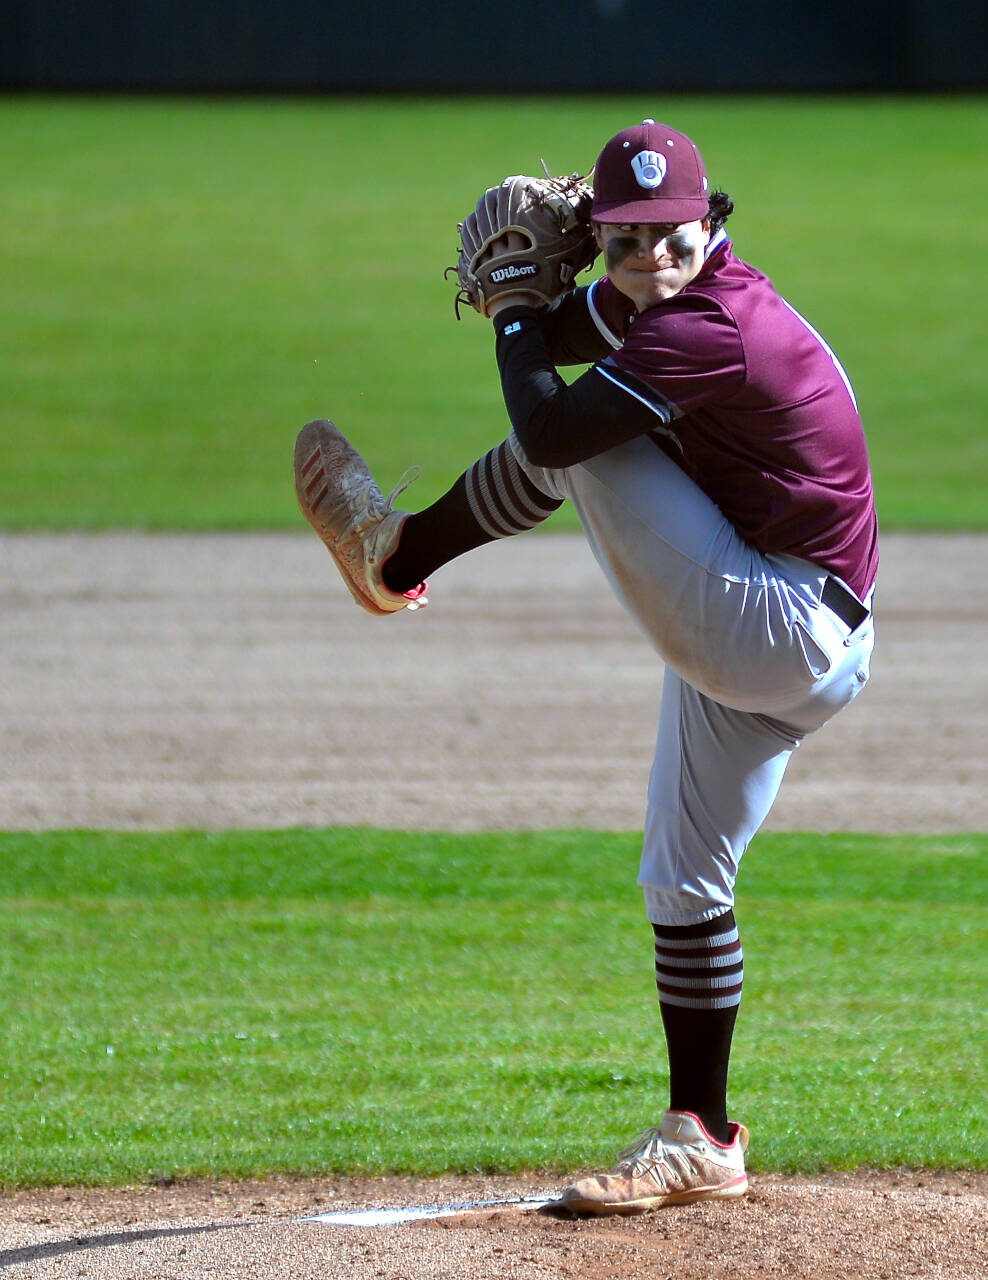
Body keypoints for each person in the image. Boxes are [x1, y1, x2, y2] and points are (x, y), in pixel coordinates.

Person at [294, 119, 877, 1215]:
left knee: (586, 442)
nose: (648, 257)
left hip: (780, 619)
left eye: (669, 233)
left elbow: (551, 419)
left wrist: (513, 301)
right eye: (622, 239)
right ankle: (700, 1131)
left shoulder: (717, 323)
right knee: (683, 881)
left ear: (713, 223)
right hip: (782, 624)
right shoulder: (650, 298)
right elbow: (559, 339)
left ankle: (397, 556)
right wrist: (527, 294)